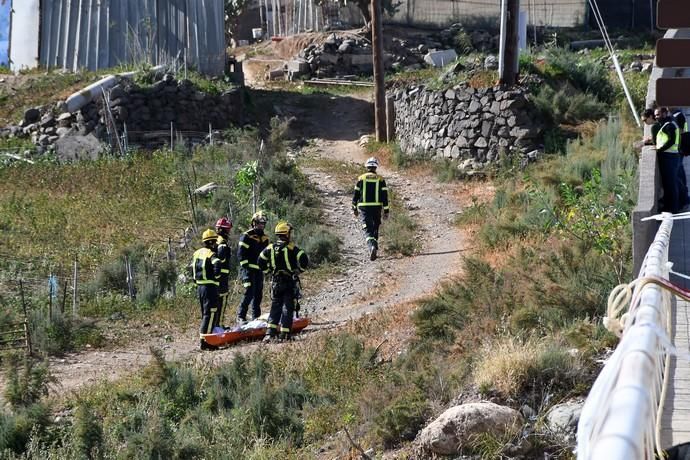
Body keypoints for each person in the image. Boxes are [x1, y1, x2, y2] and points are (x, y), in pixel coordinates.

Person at [258, 222, 309, 342]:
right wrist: (299, 270)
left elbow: (260, 260)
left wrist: (268, 271)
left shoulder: (270, 247)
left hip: (276, 282)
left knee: (275, 307)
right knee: (288, 307)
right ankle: (285, 334)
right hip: (288, 282)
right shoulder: (291, 247)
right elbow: (303, 258)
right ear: (286, 234)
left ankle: (270, 333)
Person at [352, 157, 390, 261]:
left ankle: (371, 246)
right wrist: (386, 211)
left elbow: (356, 194)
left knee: (367, 228)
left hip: (364, 208)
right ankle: (375, 246)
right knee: (376, 227)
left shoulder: (361, 178)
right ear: (376, 167)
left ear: (367, 166)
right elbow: (384, 196)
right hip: (377, 207)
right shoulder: (381, 179)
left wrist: (354, 207)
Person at [236, 211, 270, 323]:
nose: (261, 225)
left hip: (259, 271)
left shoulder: (265, 238)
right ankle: (241, 316)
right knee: (249, 293)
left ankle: (256, 318)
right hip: (248, 270)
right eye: (259, 223)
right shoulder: (247, 236)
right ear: (253, 223)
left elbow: (267, 255)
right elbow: (241, 254)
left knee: (258, 295)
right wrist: (246, 268)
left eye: (263, 223)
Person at [192, 229, 222, 351]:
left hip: (200, 287)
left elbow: (192, 270)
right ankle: (207, 342)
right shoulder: (211, 254)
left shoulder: (197, 253)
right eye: (215, 242)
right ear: (212, 242)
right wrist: (216, 277)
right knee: (210, 313)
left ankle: (204, 340)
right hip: (210, 287)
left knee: (205, 314)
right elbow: (217, 266)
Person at [654, 107, 684, 213]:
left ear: (665, 114)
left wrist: (660, 149)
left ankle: (674, 208)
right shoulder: (668, 124)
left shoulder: (669, 125)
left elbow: (671, 141)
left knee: (671, 184)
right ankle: (672, 206)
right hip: (671, 156)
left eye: (658, 114)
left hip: (669, 157)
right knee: (671, 183)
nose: (656, 117)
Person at [215, 217, 233, 328]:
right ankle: (219, 325)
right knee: (221, 301)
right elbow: (221, 259)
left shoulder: (215, 240)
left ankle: (215, 324)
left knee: (216, 302)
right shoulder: (222, 243)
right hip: (222, 277)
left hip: (216, 277)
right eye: (228, 230)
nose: (229, 232)